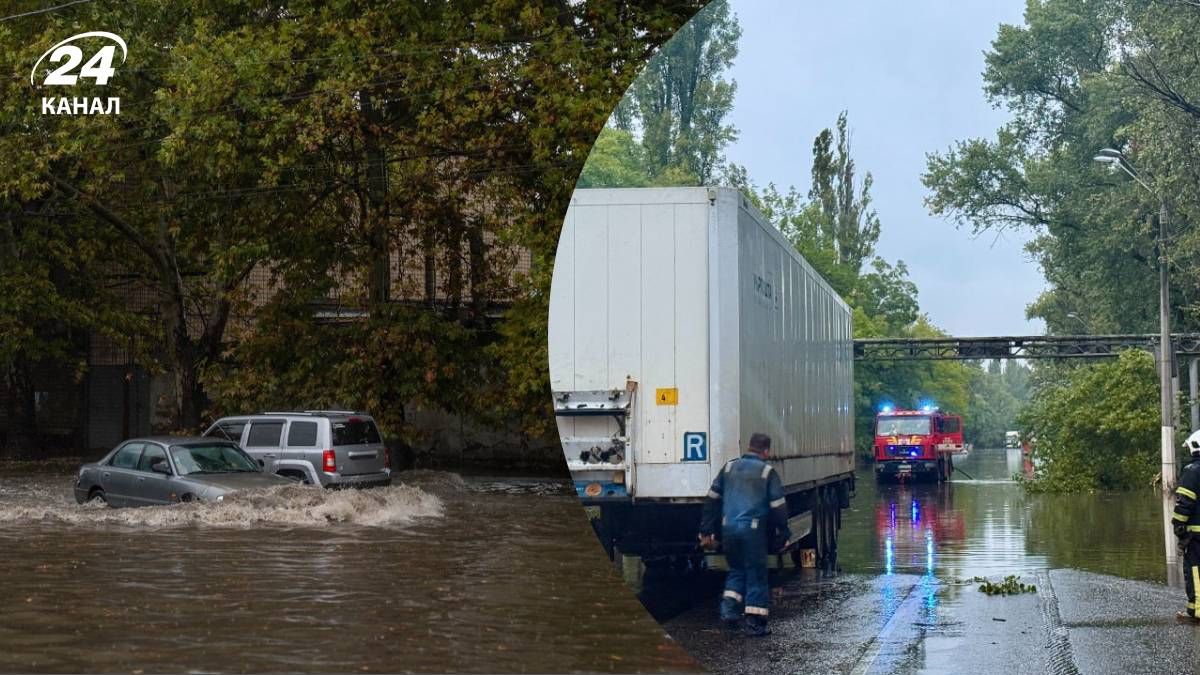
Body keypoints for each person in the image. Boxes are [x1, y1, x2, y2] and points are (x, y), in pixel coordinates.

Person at [699, 432, 790, 636]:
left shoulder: (729, 467)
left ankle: (729, 612)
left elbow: (712, 500)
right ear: (766, 451)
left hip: (728, 529)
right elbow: (778, 507)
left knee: (736, 570)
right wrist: (783, 534)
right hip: (753, 531)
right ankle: (755, 623)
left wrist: (706, 530)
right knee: (756, 572)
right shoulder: (766, 471)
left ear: (749, 447)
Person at [1174, 430, 1200, 623]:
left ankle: (1197, 612)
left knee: (1195, 571)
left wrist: (1178, 525)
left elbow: (1185, 503)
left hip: (1196, 535)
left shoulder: (1192, 471)